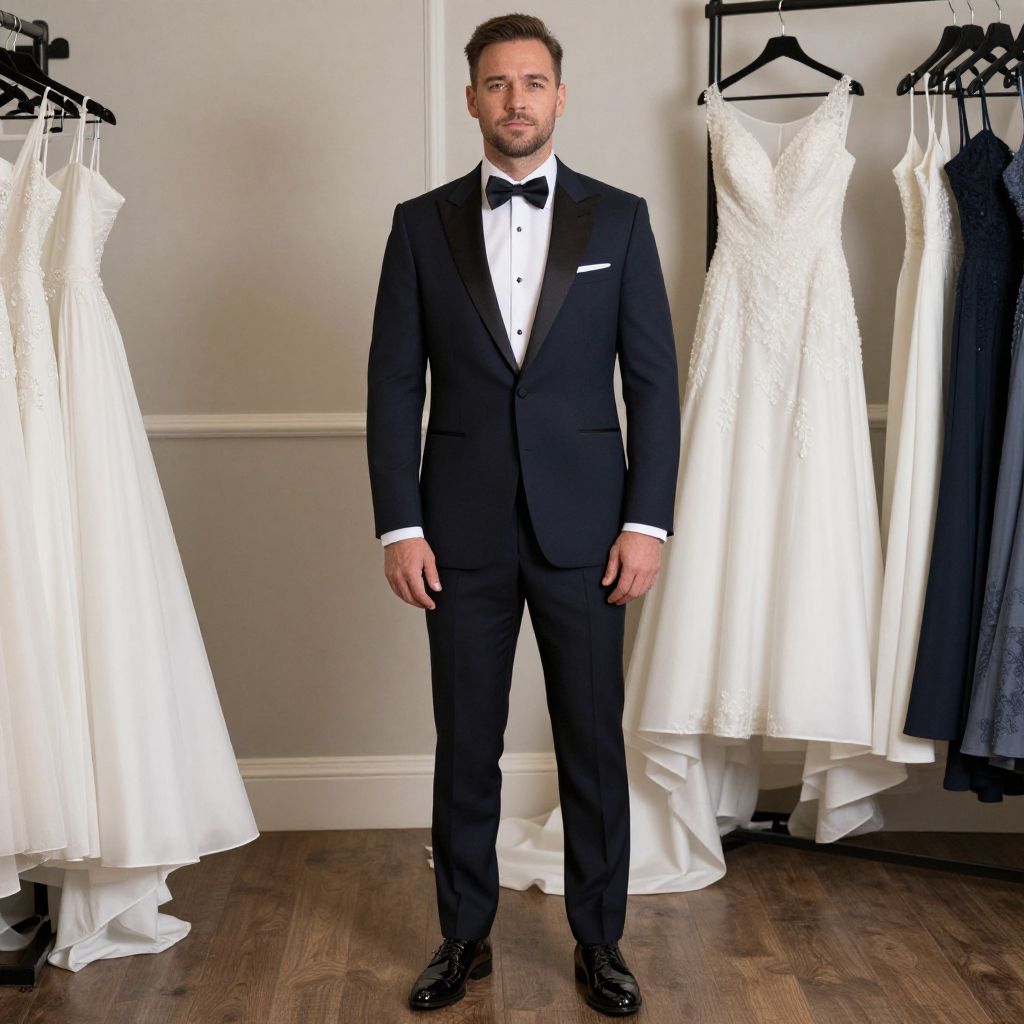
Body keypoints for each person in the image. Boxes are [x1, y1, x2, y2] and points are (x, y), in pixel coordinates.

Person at [366, 12, 679, 1016]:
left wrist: (647, 522)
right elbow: (392, 388)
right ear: (471, 99)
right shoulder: (420, 225)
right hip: (455, 534)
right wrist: (399, 525)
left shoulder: (619, 220)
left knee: (591, 742)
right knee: (466, 744)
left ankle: (600, 941)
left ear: (559, 95)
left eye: (532, 82)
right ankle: (464, 936)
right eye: (497, 83)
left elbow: (654, 386)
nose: (515, 100)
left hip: (589, 531)